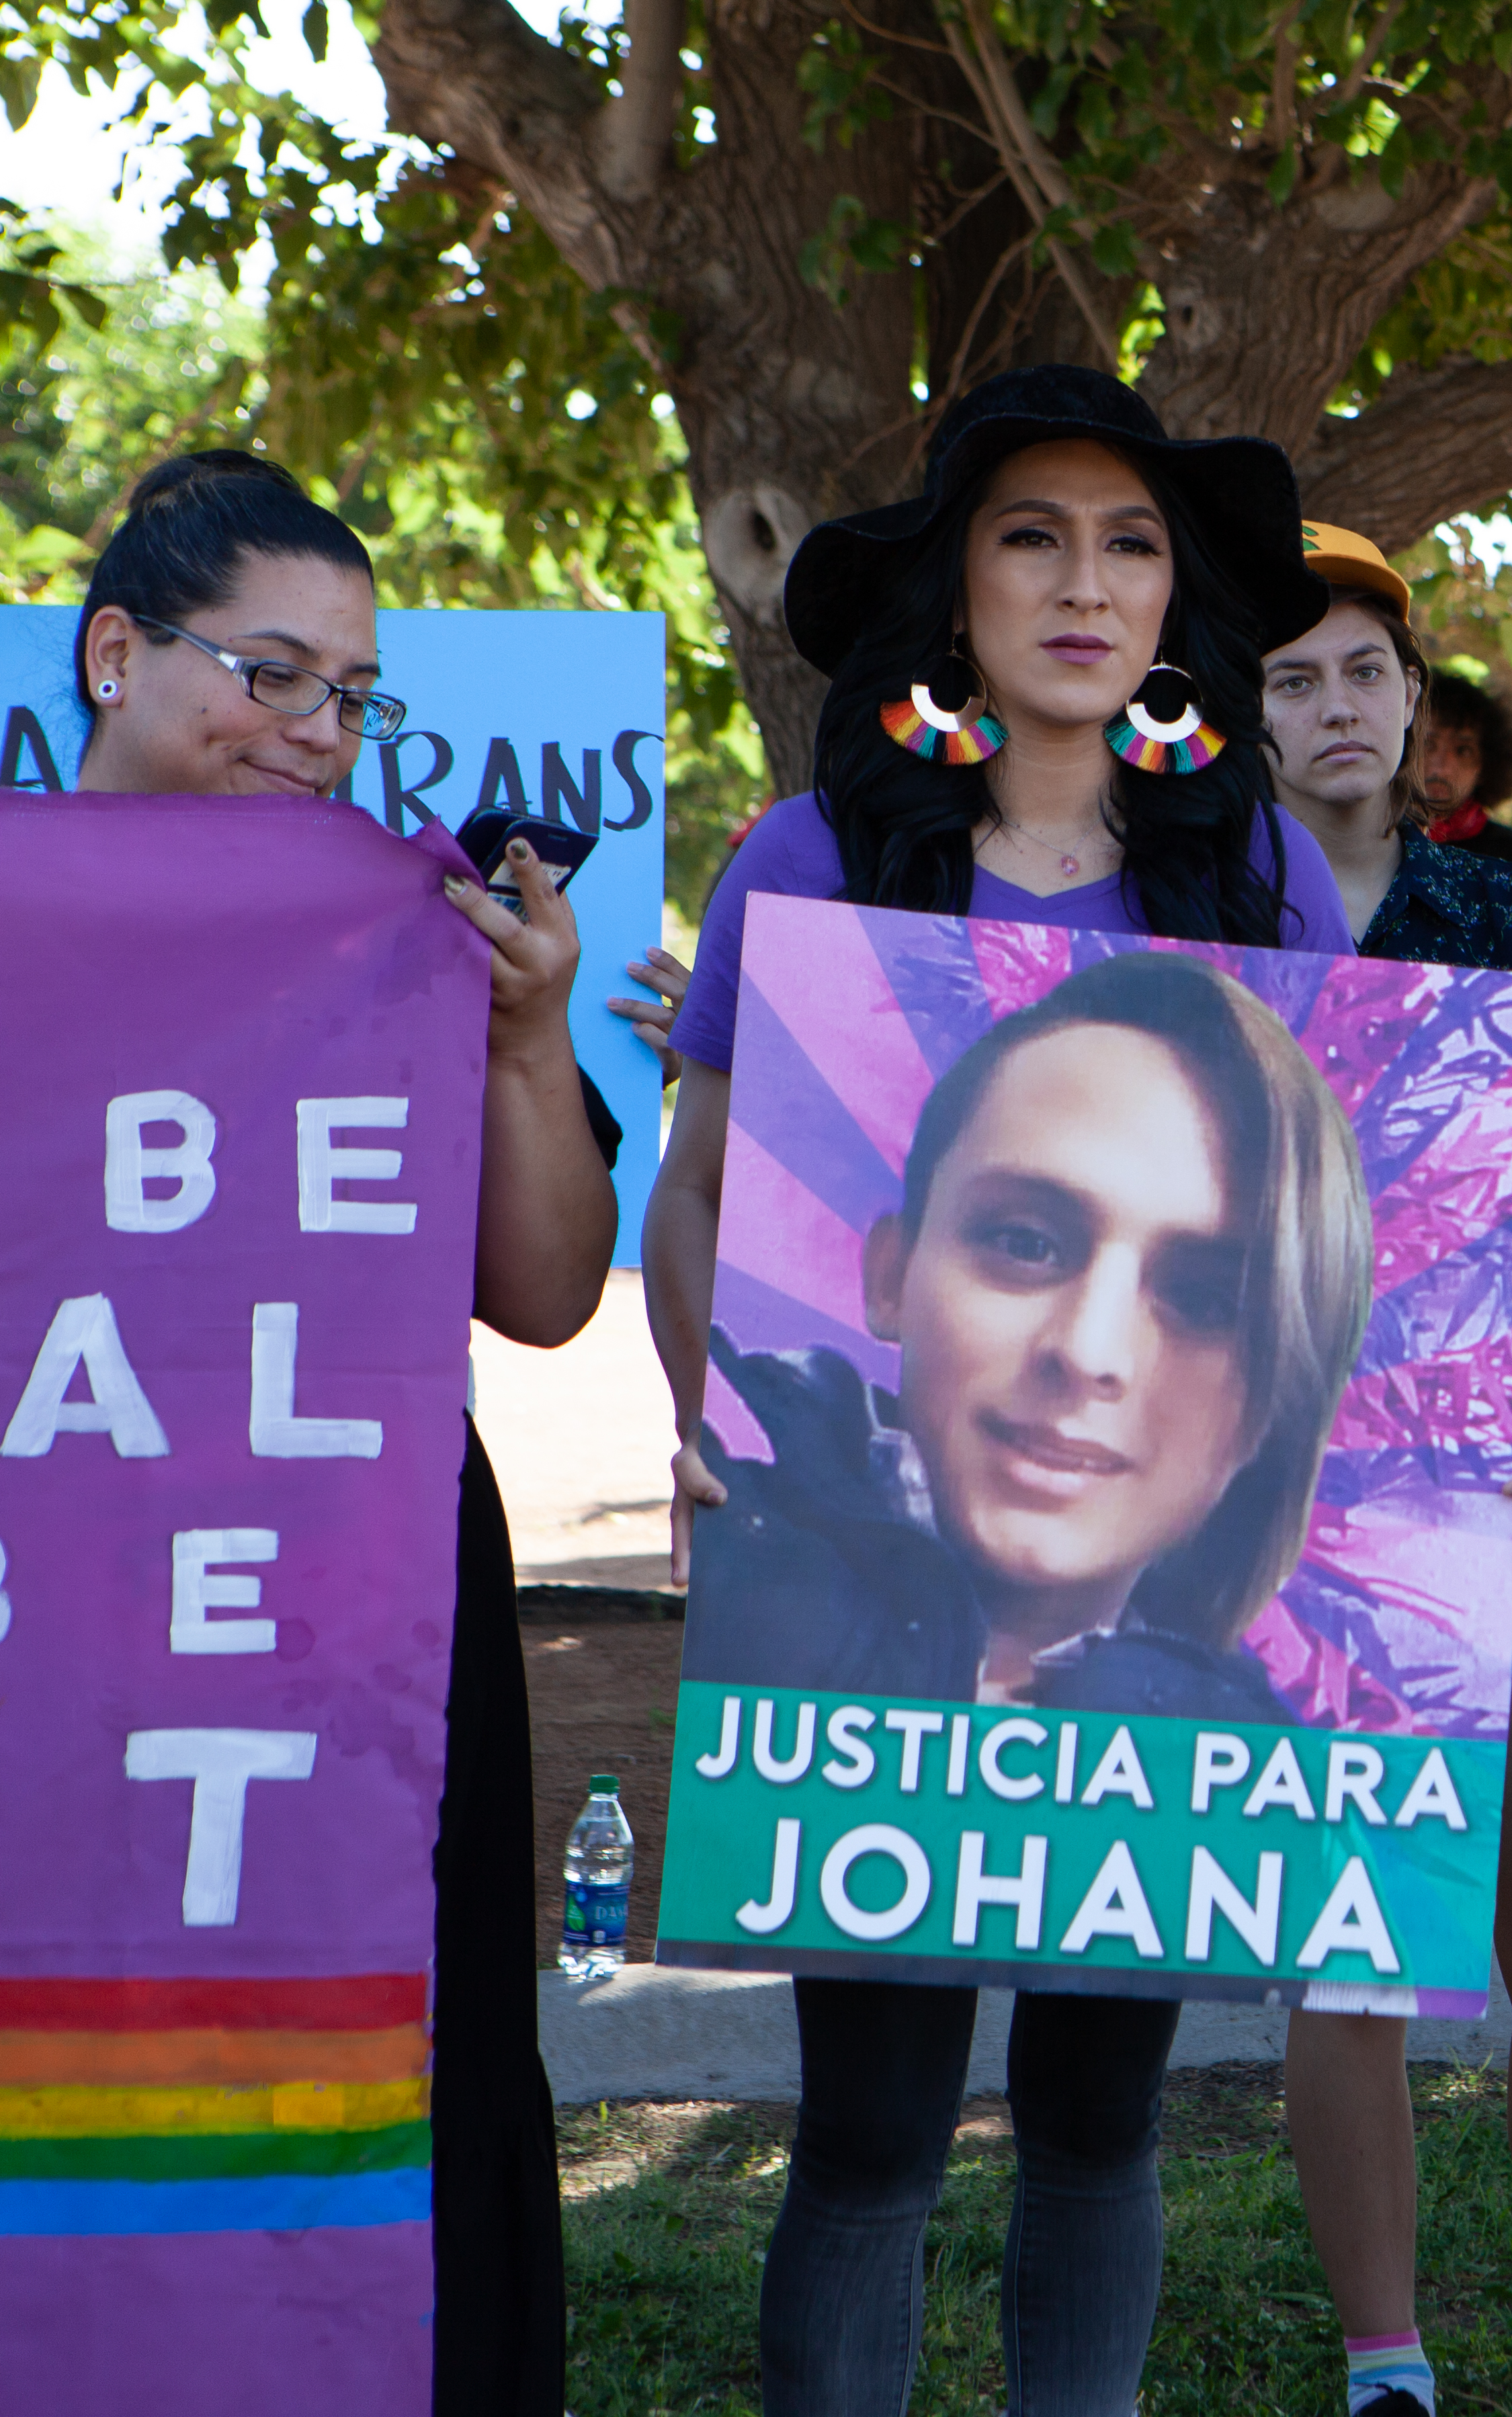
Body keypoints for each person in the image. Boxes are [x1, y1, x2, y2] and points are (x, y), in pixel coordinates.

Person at [646, 362, 1349, 2417]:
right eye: (1030, 534)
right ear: (955, 587)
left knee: (1098, 2111)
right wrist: (715, 1431)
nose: (1082, 580)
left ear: (1174, 609)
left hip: (1134, 1664)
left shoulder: (1254, 876)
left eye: (1129, 543)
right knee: (867, 2122)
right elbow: (695, 1191)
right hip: (850, 1615)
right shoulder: (811, 848)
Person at [70, 449, 622, 2417]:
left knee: (404, 2036)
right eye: (270, 674)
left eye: (352, 695)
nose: (316, 732)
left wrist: (530, 1035)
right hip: (60, 1604)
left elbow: (550, 1293)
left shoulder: (415, 936)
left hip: (358, 1607)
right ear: (117, 651)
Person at [1265, 521, 1512, 2417]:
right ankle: (1386, 2369)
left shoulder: (1508, 901)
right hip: (1276, 1499)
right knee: (1348, 1955)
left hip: (1493, 1482)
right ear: (1235, 714)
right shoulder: (1188, 907)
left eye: (1360, 671)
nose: (1331, 707)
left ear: (1414, 704)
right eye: (1288, 678)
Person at [685, 948, 1374, 1720]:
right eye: (1024, 1243)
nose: (1086, 1352)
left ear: (1275, 1402)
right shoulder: (731, 1575)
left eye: (1205, 1300)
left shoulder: (1275, 1791)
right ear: (891, 1274)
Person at [1415, 665, 1512, 876]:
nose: (1441, 766)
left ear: (1485, 766)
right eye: (1428, 745)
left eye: (1463, 751)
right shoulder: (1364, 844)